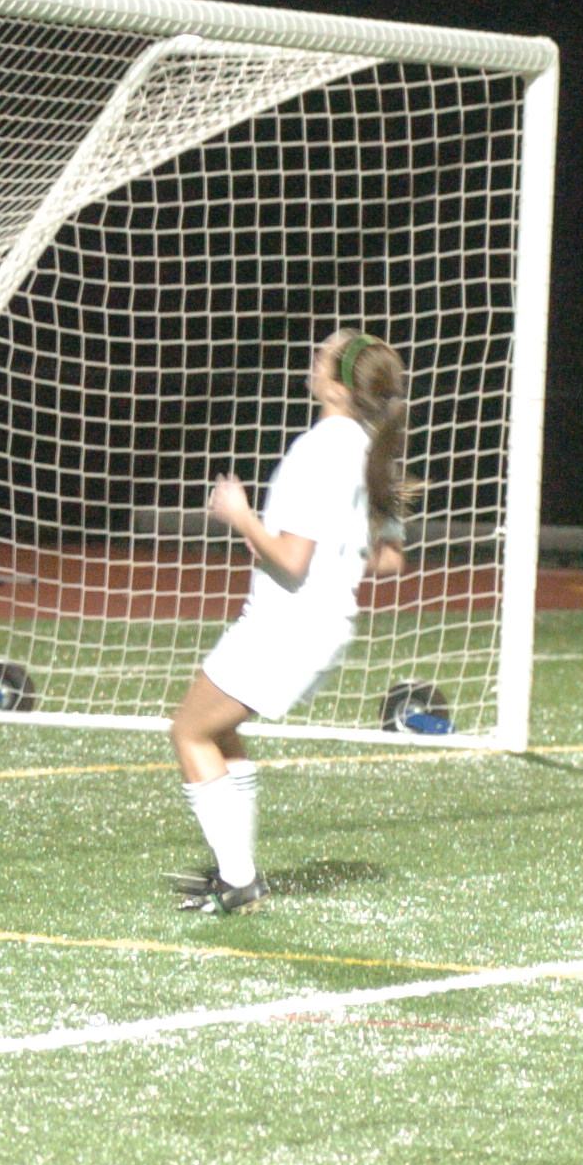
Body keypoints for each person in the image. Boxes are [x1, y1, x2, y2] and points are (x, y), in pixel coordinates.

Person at [169, 329, 411, 913]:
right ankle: (237, 869)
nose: (315, 358)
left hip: (285, 627)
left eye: (324, 354)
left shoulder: (321, 448)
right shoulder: (370, 450)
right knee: (221, 733)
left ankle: (239, 880)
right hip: (321, 627)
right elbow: (388, 559)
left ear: (337, 386)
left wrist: (240, 516)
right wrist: (289, 544)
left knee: (189, 732)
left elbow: (293, 559)